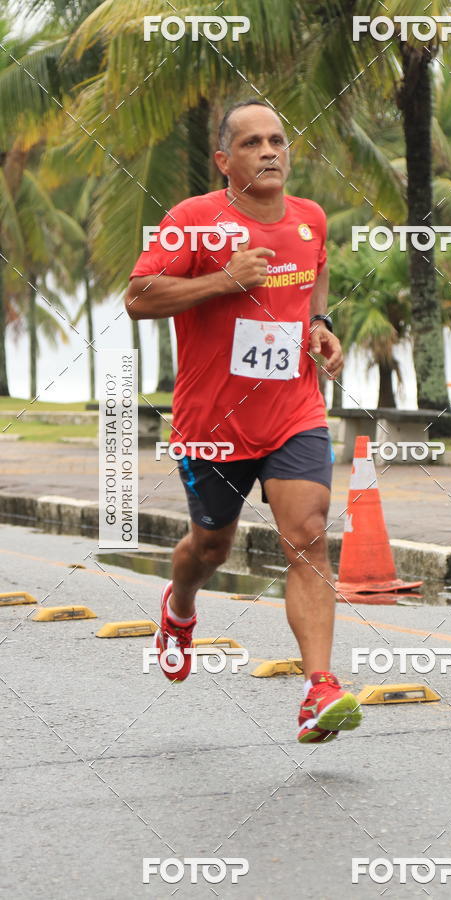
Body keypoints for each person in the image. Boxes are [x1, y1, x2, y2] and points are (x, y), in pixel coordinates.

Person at [126, 99, 361, 744]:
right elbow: (138, 297)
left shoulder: (310, 220)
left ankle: (319, 690)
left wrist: (323, 329)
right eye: (253, 142)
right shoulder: (193, 221)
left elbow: (313, 288)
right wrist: (223, 280)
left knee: (309, 533)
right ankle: (179, 609)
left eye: (277, 140)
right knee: (211, 548)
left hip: (294, 411)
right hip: (212, 424)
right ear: (224, 160)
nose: (269, 151)